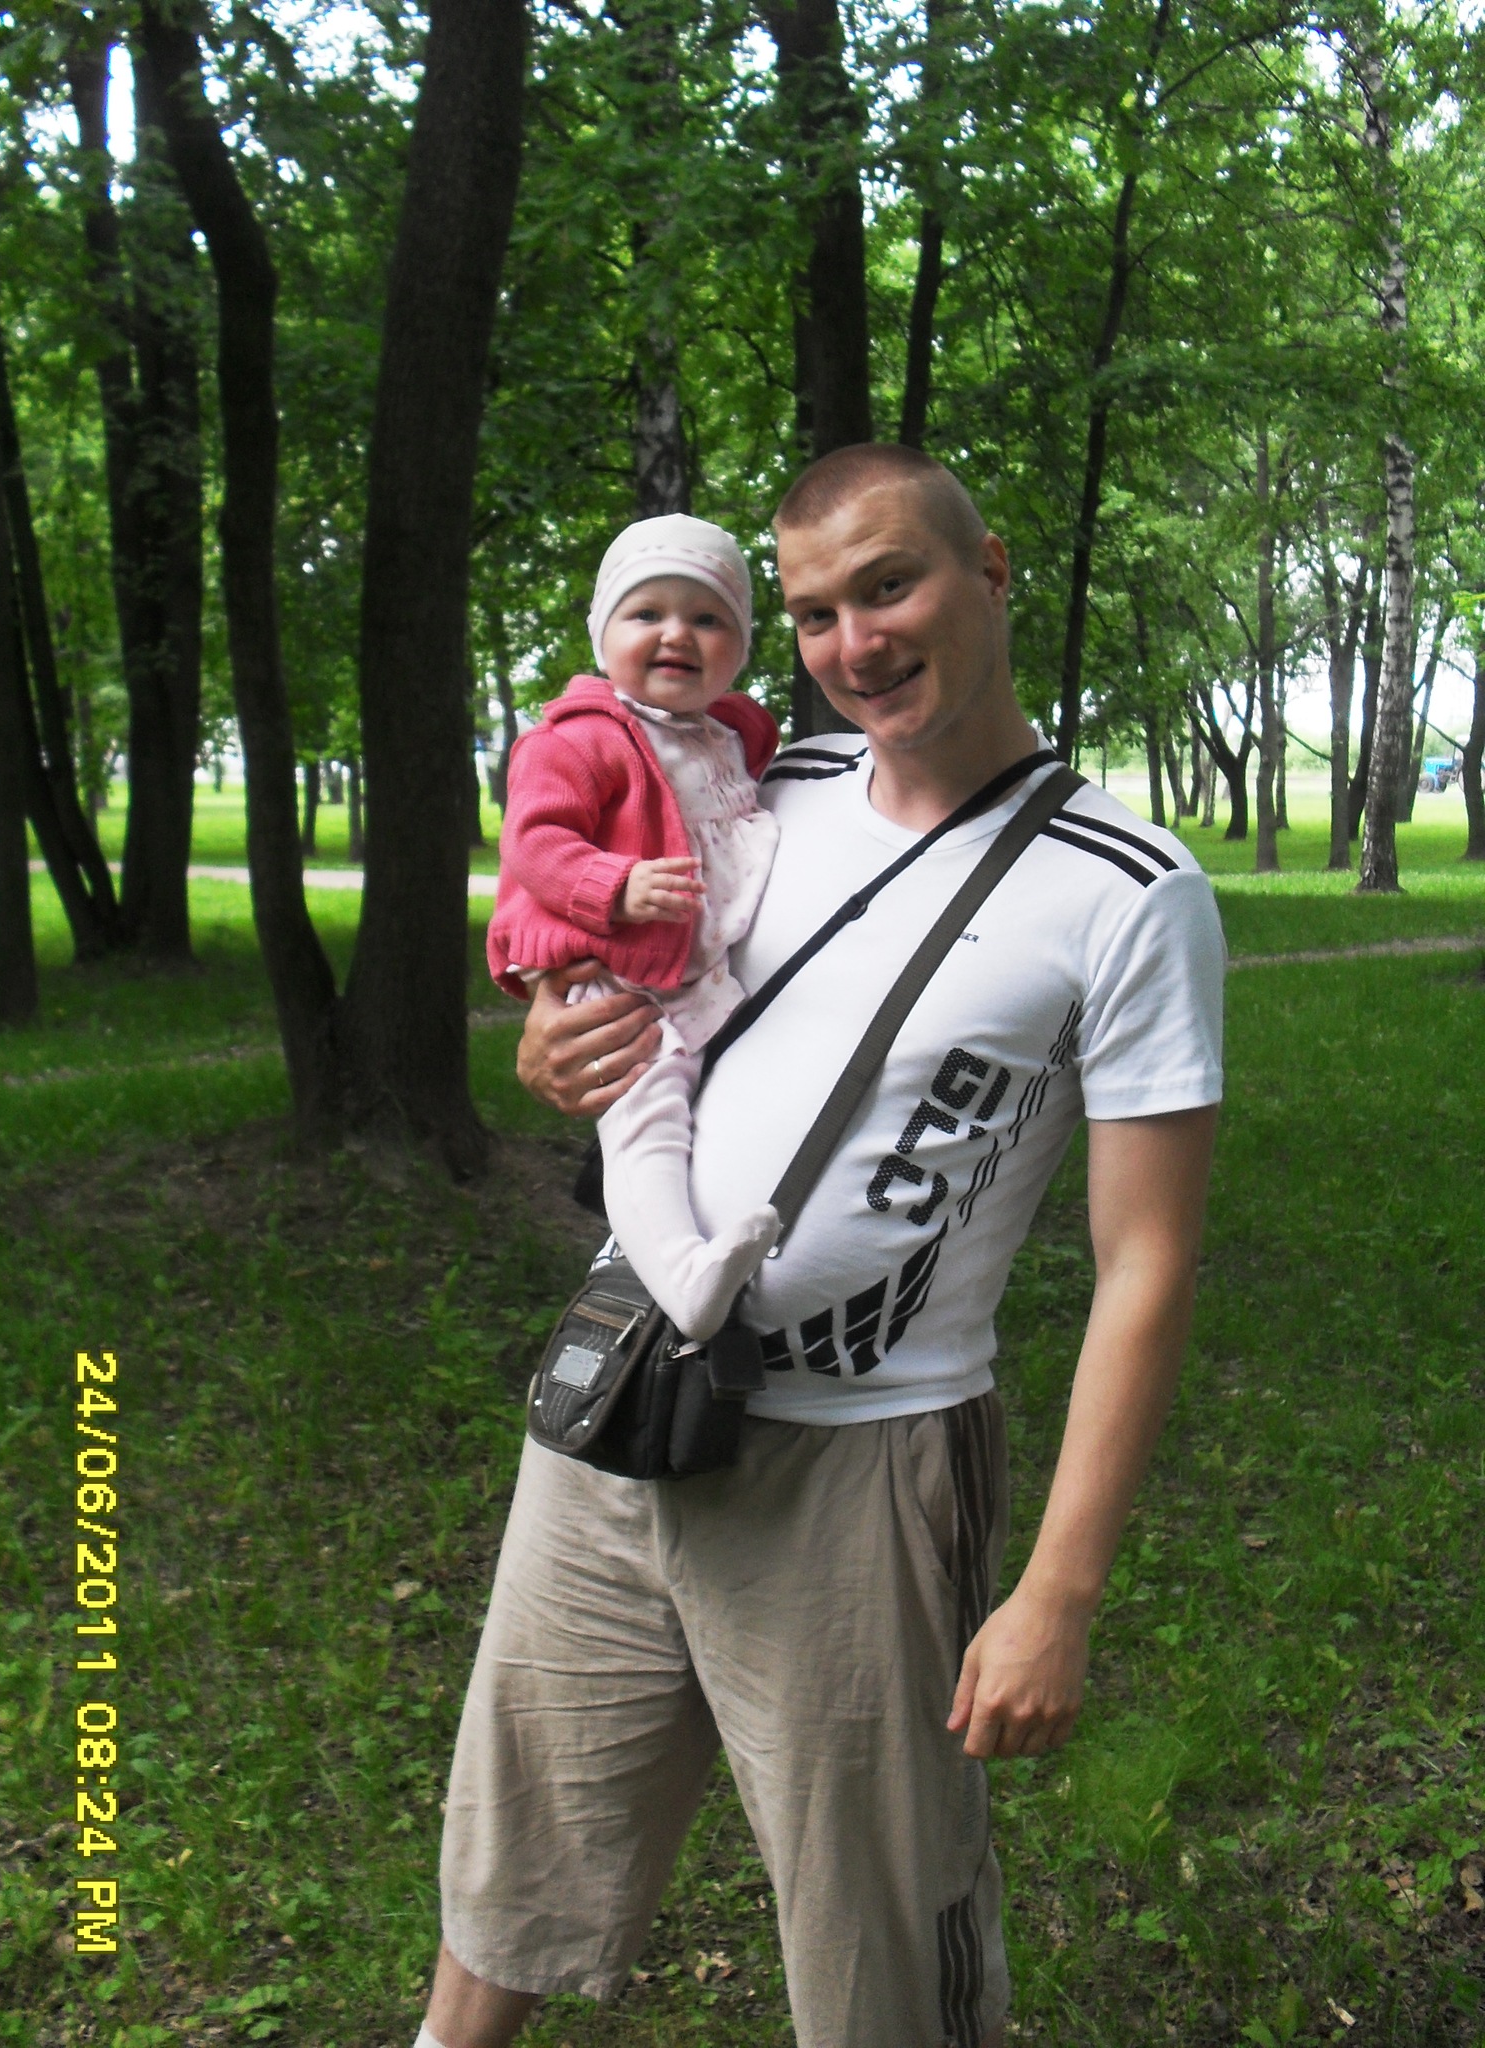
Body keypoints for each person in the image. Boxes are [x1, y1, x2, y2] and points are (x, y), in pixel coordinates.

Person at [415, 445, 1224, 2048]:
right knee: (519, 1841)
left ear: (990, 570)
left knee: (880, 1941)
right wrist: (554, 1041)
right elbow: (625, 982)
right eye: (811, 613)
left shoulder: (1128, 892)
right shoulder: (753, 790)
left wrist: (1058, 1592)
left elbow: (1145, 1264)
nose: (855, 642)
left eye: (889, 585)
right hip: (623, 1407)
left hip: (865, 1470)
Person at [487, 513, 783, 1341]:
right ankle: (683, 1278)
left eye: (708, 618)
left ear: (740, 647)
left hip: (695, 973)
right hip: (619, 974)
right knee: (644, 1117)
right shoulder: (580, 738)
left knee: (708, 1108)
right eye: (646, 612)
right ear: (602, 633)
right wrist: (613, 885)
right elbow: (534, 841)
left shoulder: (732, 737)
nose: (676, 634)